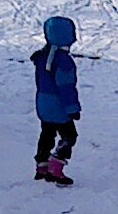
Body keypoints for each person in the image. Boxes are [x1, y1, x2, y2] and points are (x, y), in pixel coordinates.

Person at [31, 15, 82, 186]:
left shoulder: (42, 56)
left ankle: (42, 166)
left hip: (43, 104)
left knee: (47, 133)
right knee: (69, 136)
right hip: (58, 106)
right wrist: (72, 108)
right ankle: (56, 166)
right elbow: (65, 86)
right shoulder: (63, 61)